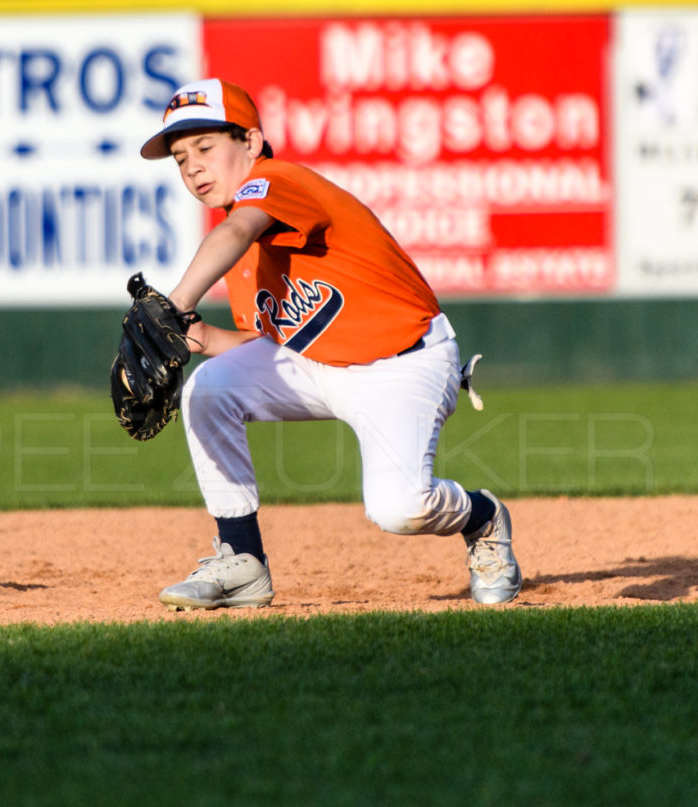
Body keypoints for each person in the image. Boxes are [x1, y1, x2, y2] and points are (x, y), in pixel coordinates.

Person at [139, 78, 521, 610]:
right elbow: (269, 336)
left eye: (205, 148)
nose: (193, 167)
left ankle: (481, 517)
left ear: (250, 143)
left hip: (404, 364)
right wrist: (200, 336)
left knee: (400, 510)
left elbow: (233, 235)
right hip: (318, 365)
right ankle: (242, 560)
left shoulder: (278, 182)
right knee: (207, 390)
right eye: (180, 159)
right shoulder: (243, 249)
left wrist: (175, 303)